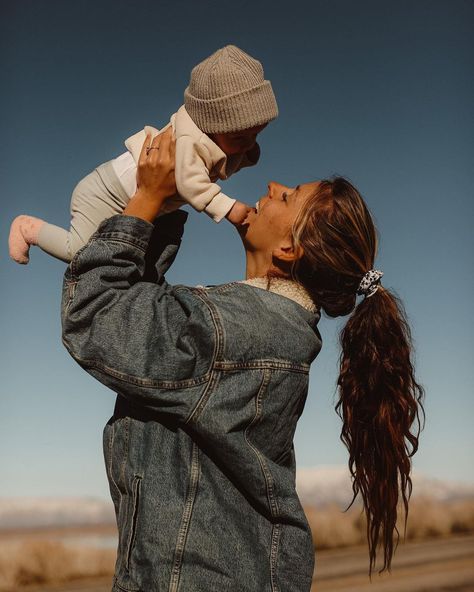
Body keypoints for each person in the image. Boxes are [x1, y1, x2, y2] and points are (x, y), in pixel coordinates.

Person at [61, 129, 424, 591]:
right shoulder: (272, 333)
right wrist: (170, 207)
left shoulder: (236, 331)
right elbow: (143, 315)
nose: (272, 187)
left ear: (289, 250)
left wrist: (149, 199)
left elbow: (96, 316)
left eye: (288, 196)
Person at [8, 45, 277, 264]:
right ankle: (29, 228)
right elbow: (189, 182)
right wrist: (228, 208)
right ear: (212, 124)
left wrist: (245, 148)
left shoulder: (216, 139)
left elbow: (225, 158)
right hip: (103, 194)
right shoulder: (188, 142)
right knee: (81, 252)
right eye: (239, 137)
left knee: (133, 264)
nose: (248, 144)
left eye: (256, 134)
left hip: (135, 200)